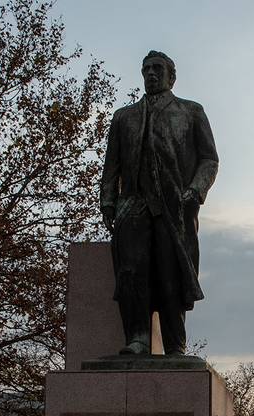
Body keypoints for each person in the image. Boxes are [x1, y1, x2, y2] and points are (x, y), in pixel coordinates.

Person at [100, 50, 219, 356]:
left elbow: (209, 160)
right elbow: (111, 166)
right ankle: (137, 337)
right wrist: (108, 201)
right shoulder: (124, 117)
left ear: (171, 76)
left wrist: (195, 190)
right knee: (132, 272)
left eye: (157, 69)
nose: (151, 74)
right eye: (146, 69)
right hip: (133, 205)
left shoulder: (191, 112)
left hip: (174, 206)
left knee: (171, 274)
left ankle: (175, 345)